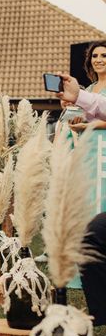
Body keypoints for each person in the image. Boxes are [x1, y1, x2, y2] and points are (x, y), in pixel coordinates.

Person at [66, 42, 106, 213]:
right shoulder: (88, 90)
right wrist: (74, 119)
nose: (98, 60)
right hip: (87, 148)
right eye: (94, 56)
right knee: (89, 194)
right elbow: (83, 118)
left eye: (104, 55)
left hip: (103, 147)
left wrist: (93, 125)